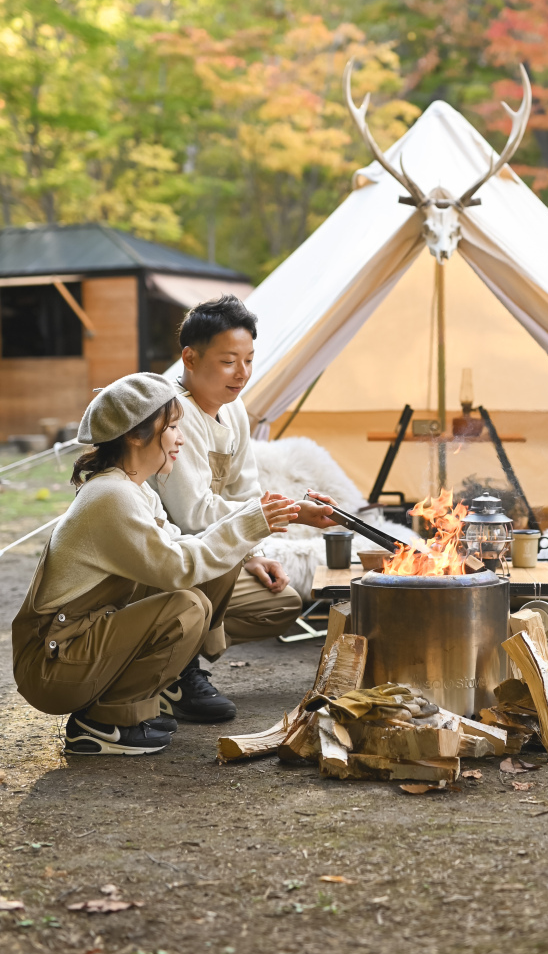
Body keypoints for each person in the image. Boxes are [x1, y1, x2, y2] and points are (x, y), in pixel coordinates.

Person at [12, 373, 299, 757]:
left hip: (73, 645)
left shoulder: (131, 488)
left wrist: (253, 529)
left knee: (216, 567)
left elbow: (183, 545)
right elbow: (177, 567)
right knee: (186, 606)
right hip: (52, 666)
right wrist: (249, 524)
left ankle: (142, 700)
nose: (181, 439)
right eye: (174, 427)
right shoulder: (111, 496)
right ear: (135, 435)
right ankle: (101, 724)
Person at [152, 295, 337, 721]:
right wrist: (291, 512)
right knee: (211, 562)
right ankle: (169, 669)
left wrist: (253, 554)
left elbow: (245, 491)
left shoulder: (233, 409)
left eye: (249, 360)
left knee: (280, 603)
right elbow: (193, 516)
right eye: (228, 361)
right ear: (190, 358)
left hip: (209, 558)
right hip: (164, 564)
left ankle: (174, 657)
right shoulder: (172, 414)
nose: (243, 373)